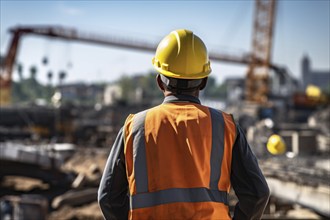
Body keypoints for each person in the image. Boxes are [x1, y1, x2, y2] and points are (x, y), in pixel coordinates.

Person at [98, 29, 270, 220]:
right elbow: (257, 194)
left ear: (159, 82)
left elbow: (108, 198)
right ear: (204, 82)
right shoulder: (225, 126)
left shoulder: (135, 127)